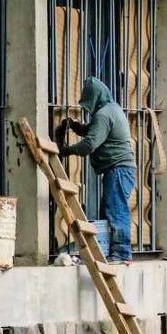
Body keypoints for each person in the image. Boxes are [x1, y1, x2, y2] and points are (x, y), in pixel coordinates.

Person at [57, 77, 137, 265]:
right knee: (111, 209)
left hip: (118, 169)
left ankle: (122, 253)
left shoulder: (104, 114)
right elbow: (95, 131)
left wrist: (65, 151)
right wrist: (77, 127)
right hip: (120, 169)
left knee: (116, 210)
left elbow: (90, 144)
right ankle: (111, 251)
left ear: (95, 98)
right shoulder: (113, 109)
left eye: (89, 103)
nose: (88, 108)